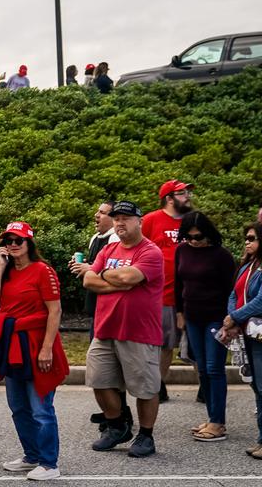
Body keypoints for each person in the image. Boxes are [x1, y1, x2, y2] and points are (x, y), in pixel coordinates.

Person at [0, 221, 68, 482]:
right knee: (18, 407)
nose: (13, 245)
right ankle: (31, 455)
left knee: (41, 408)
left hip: (35, 343)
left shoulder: (43, 270)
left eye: (18, 240)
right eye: (8, 241)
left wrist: (46, 349)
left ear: (29, 243)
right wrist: (0, 266)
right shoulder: (7, 271)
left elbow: (55, 311)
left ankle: (49, 463)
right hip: (12, 345)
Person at [79, 200, 163, 459]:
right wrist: (116, 279)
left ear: (140, 221)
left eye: (126, 218)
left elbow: (128, 277)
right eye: (116, 218)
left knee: (145, 388)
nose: (120, 222)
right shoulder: (109, 249)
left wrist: (104, 274)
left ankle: (146, 435)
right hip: (105, 328)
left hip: (139, 331)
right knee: (98, 380)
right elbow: (88, 280)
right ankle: (117, 426)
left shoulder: (150, 252)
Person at [174, 211, 236, 442]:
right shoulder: (182, 250)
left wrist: (231, 320)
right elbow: (178, 284)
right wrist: (179, 313)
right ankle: (212, 418)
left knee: (214, 368)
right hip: (192, 317)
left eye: (198, 236)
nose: (193, 241)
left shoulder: (221, 256)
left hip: (216, 318)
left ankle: (218, 423)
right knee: (201, 369)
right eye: (188, 237)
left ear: (208, 233)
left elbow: (232, 290)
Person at [70, 201, 132, 432]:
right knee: (103, 366)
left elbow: (113, 274)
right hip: (97, 307)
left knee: (111, 366)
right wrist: (85, 268)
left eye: (103, 213)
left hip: (111, 309)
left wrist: (90, 270)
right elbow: (96, 270)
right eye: (97, 211)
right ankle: (112, 411)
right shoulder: (96, 238)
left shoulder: (115, 240)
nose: (97, 215)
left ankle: (120, 414)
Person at [141, 179, 194, 402]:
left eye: (188, 193)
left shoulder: (193, 220)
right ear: (169, 198)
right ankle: (159, 386)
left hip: (192, 294)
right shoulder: (151, 220)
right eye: (182, 193)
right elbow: (138, 248)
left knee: (196, 343)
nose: (187, 197)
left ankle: (206, 387)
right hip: (161, 294)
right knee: (164, 343)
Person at [222, 220, 262, 458]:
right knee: (257, 387)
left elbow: (260, 301)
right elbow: (233, 293)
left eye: (252, 238)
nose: (247, 242)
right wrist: (233, 318)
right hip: (249, 333)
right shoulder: (248, 266)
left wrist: (235, 316)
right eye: (246, 238)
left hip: (259, 334)